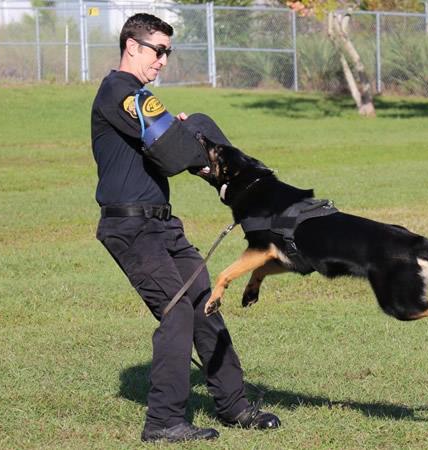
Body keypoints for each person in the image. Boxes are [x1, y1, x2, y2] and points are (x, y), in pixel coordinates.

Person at [91, 12, 280, 444]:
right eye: (158, 51)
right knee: (177, 311)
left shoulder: (138, 95)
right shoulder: (121, 92)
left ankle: (234, 406)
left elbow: (172, 153)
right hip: (130, 228)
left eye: (168, 53)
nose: (162, 61)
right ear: (132, 46)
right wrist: (191, 141)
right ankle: (163, 422)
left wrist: (193, 144)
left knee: (204, 304)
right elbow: (175, 157)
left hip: (162, 224)